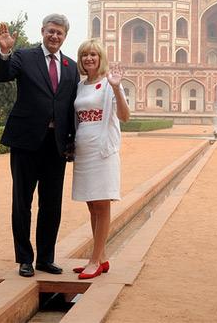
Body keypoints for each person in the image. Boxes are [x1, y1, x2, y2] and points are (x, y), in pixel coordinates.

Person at [0, 14, 80, 277]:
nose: (55, 37)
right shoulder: (24, 56)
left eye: (60, 33)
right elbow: (2, 75)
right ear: (43, 31)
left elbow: (72, 106)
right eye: (51, 31)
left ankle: (45, 258)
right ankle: (24, 259)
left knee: (51, 204)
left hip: (55, 145)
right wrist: (5, 52)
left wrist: (71, 141)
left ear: (65, 36)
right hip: (26, 141)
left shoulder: (70, 66)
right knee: (22, 202)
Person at [71, 39, 130, 279]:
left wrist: (116, 87)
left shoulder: (109, 83)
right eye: (85, 55)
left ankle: (95, 260)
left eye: (93, 54)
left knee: (102, 204)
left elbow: (125, 116)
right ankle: (101, 258)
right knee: (91, 205)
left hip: (103, 149)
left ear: (101, 57)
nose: (89, 59)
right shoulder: (81, 85)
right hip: (83, 146)